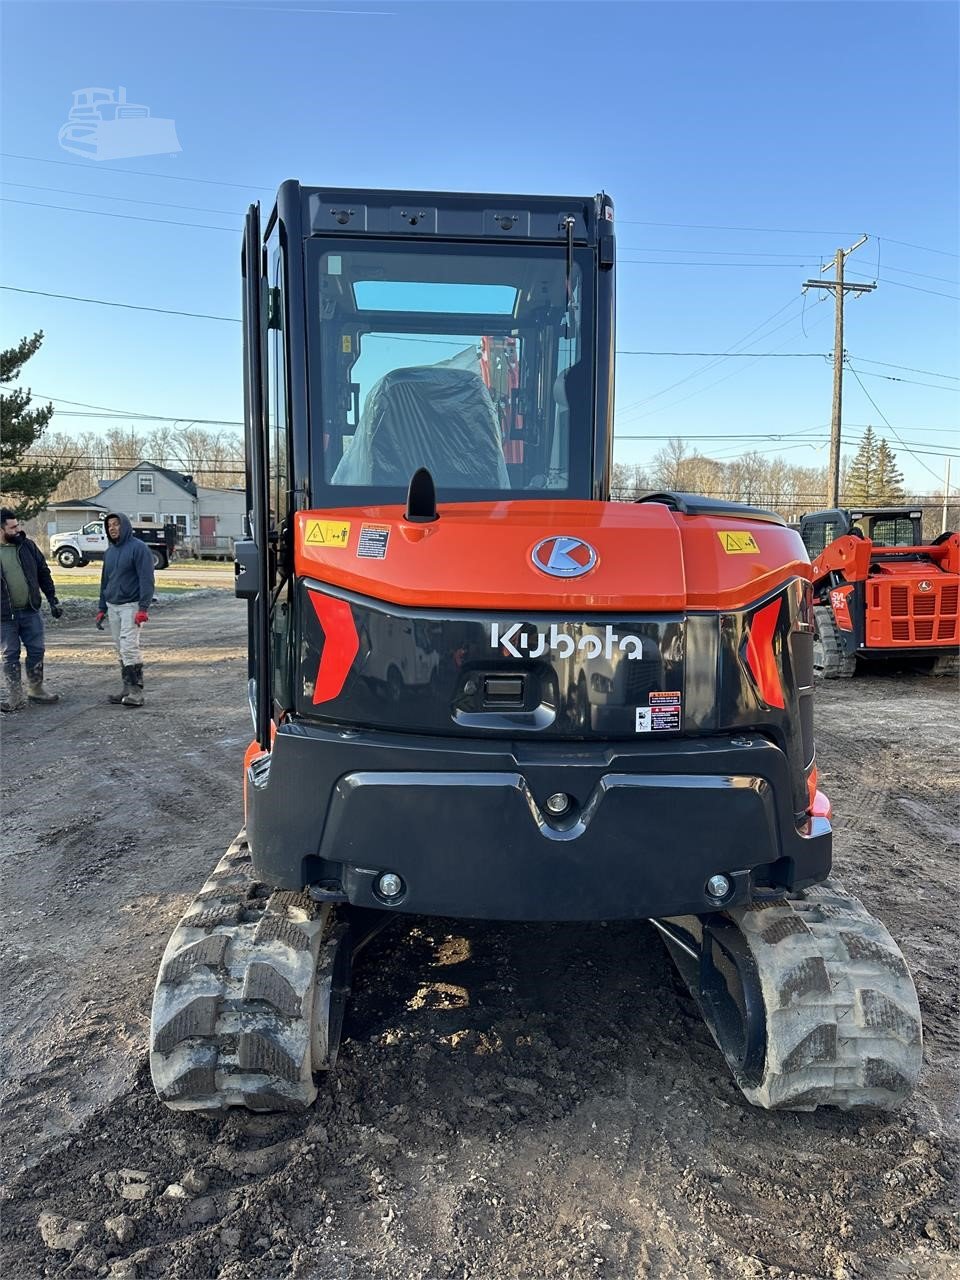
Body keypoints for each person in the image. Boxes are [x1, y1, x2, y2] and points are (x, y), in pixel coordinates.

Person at [0, 507, 63, 711]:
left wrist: (52, 598)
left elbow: (43, 572)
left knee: (37, 650)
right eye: (13, 527)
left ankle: (36, 689)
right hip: (4, 615)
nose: (18, 529)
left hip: (31, 610)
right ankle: (15, 696)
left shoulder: (27, 546)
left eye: (17, 525)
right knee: (10, 654)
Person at [96, 512, 155, 708]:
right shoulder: (110, 552)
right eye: (109, 525)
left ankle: (136, 693)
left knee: (129, 646)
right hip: (113, 606)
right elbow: (105, 581)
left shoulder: (139, 549)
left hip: (132, 605)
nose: (112, 528)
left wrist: (143, 608)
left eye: (116, 524)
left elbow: (146, 579)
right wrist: (101, 607)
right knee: (120, 648)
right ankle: (126, 688)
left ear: (125, 526)